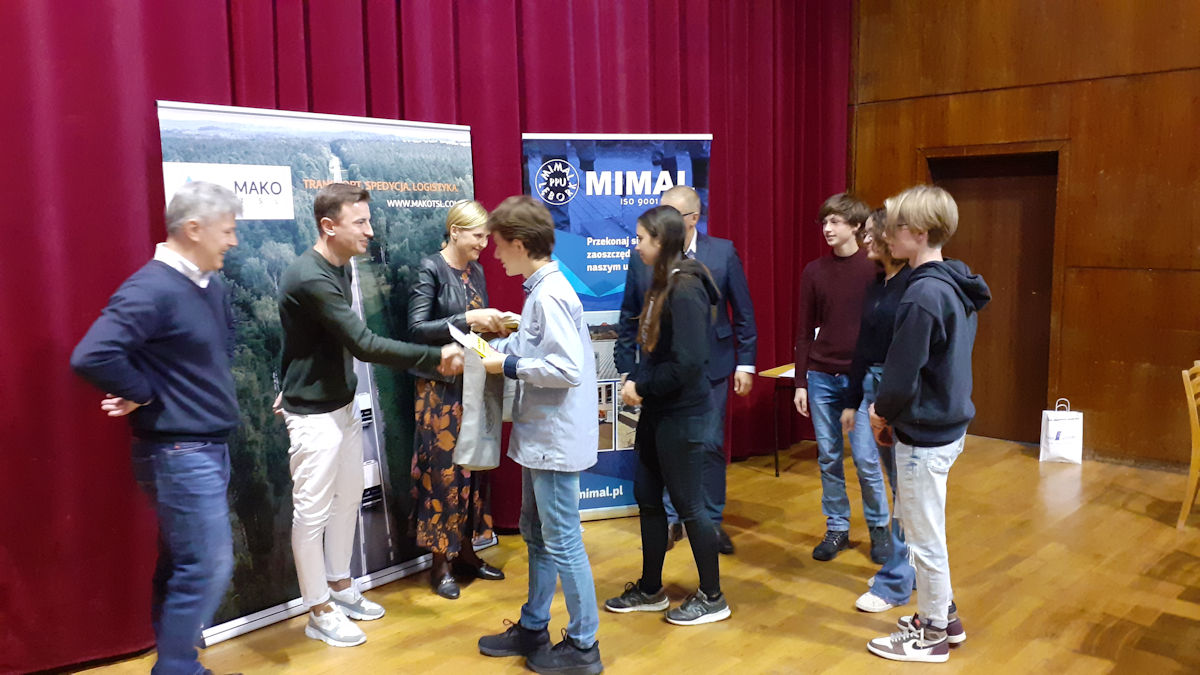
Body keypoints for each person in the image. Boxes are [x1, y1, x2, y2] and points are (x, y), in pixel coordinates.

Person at [276, 183, 463, 648]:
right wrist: (435, 357)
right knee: (311, 514)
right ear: (329, 226)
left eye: (369, 220)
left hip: (339, 406)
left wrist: (287, 379)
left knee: (348, 499)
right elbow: (363, 343)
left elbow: (300, 338)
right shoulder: (311, 277)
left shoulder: (339, 266)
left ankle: (340, 586)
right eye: (360, 222)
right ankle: (318, 609)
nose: (370, 231)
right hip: (314, 417)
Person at [70, 181, 242, 675]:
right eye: (227, 231)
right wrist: (143, 391)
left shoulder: (209, 285)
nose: (233, 241)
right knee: (207, 565)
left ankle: (175, 664)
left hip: (207, 447)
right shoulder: (152, 288)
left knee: (182, 564)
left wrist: (154, 384)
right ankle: (177, 668)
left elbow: (210, 353)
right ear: (194, 229)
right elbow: (92, 355)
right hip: (178, 453)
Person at [477, 195, 603, 675]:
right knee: (536, 532)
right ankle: (534, 625)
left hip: (553, 438)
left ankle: (584, 645)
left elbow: (566, 369)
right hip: (541, 436)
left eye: (499, 245)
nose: (495, 254)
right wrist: (495, 346)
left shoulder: (549, 294)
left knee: (562, 538)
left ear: (520, 243)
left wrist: (507, 364)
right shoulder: (542, 290)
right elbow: (536, 346)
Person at [865, 185, 990, 663]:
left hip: (925, 433)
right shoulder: (953, 280)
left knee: (923, 538)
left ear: (918, 233)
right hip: (944, 426)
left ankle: (934, 634)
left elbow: (901, 374)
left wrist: (880, 412)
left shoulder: (922, 295)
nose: (885, 235)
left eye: (894, 227)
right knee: (924, 527)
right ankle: (945, 616)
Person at [603, 206, 730, 626]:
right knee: (647, 496)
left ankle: (713, 597)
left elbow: (689, 363)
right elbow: (656, 351)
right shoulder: (662, 281)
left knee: (690, 505)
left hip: (683, 415)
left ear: (661, 241)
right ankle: (650, 589)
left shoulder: (687, 287)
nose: (636, 245)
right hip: (659, 413)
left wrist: (642, 387)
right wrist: (640, 379)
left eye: (641, 238)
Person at [615, 185, 756, 555]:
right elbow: (629, 317)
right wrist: (628, 369)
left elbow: (742, 311)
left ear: (693, 219)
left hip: (713, 369)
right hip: (661, 373)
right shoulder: (641, 258)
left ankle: (709, 522)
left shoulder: (722, 252)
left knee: (708, 446)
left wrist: (746, 362)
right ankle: (669, 521)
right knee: (664, 447)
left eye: (672, 213)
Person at [407, 199, 508, 599]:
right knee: (443, 474)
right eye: (478, 236)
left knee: (473, 468)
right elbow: (416, 329)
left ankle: (466, 551)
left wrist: (497, 329)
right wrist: (468, 319)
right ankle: (440, 563)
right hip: (439, 389)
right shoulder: (430, 268)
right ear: (455, 232)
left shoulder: (475, 271)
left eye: (486, 237)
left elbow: (473, 333)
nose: (484, 244)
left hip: (473, 383)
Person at [793, 193, 891, 563]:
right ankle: (837, 527)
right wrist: (800, 381)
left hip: (861, 378)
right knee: (829, 457)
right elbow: (804, 331)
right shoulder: (814, 271)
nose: (827, 228)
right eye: (824, 222)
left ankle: (879, 528)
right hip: (821, 375)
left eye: (835, 221)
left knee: (866, 459)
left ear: (856, 226)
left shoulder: (875, 269)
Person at [840, 209, 915, 613]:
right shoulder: (877, 283)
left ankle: (897, 579)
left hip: (898, 391)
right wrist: (852, 400)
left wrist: (887, 401)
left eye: (871, 234)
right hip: (873, 386)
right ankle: (903, 566)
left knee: (906, 491)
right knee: (898, 486)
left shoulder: (914, 284)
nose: (864, 240)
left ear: (889, 237)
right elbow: (864, 346)